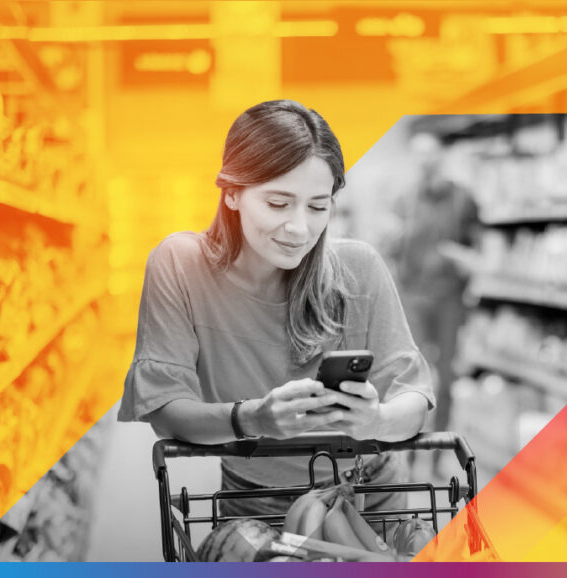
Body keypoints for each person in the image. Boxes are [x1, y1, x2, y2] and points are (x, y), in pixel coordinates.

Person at [117, 100, 434, 517]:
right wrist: (253, 419)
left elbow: (412, 399)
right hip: (253, 499)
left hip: (371, 495)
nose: (300, 228)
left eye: (318, 206)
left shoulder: (358, 268)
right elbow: (166, 410)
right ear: (232, 192)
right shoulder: (179, 265)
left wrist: (376, 420)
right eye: (278, 204)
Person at [391, 132, 479, 475]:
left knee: (446, 377)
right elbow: (393, 250)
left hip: (449, 300)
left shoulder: (463, 199)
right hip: (414, 298)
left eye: (429, 153)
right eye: (418, 154)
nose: (424, 160)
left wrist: (460, 257)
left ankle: (441, 452)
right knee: (414, 377)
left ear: (441, 155)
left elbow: (477, 252)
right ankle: (411, 454)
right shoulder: (406, 200)